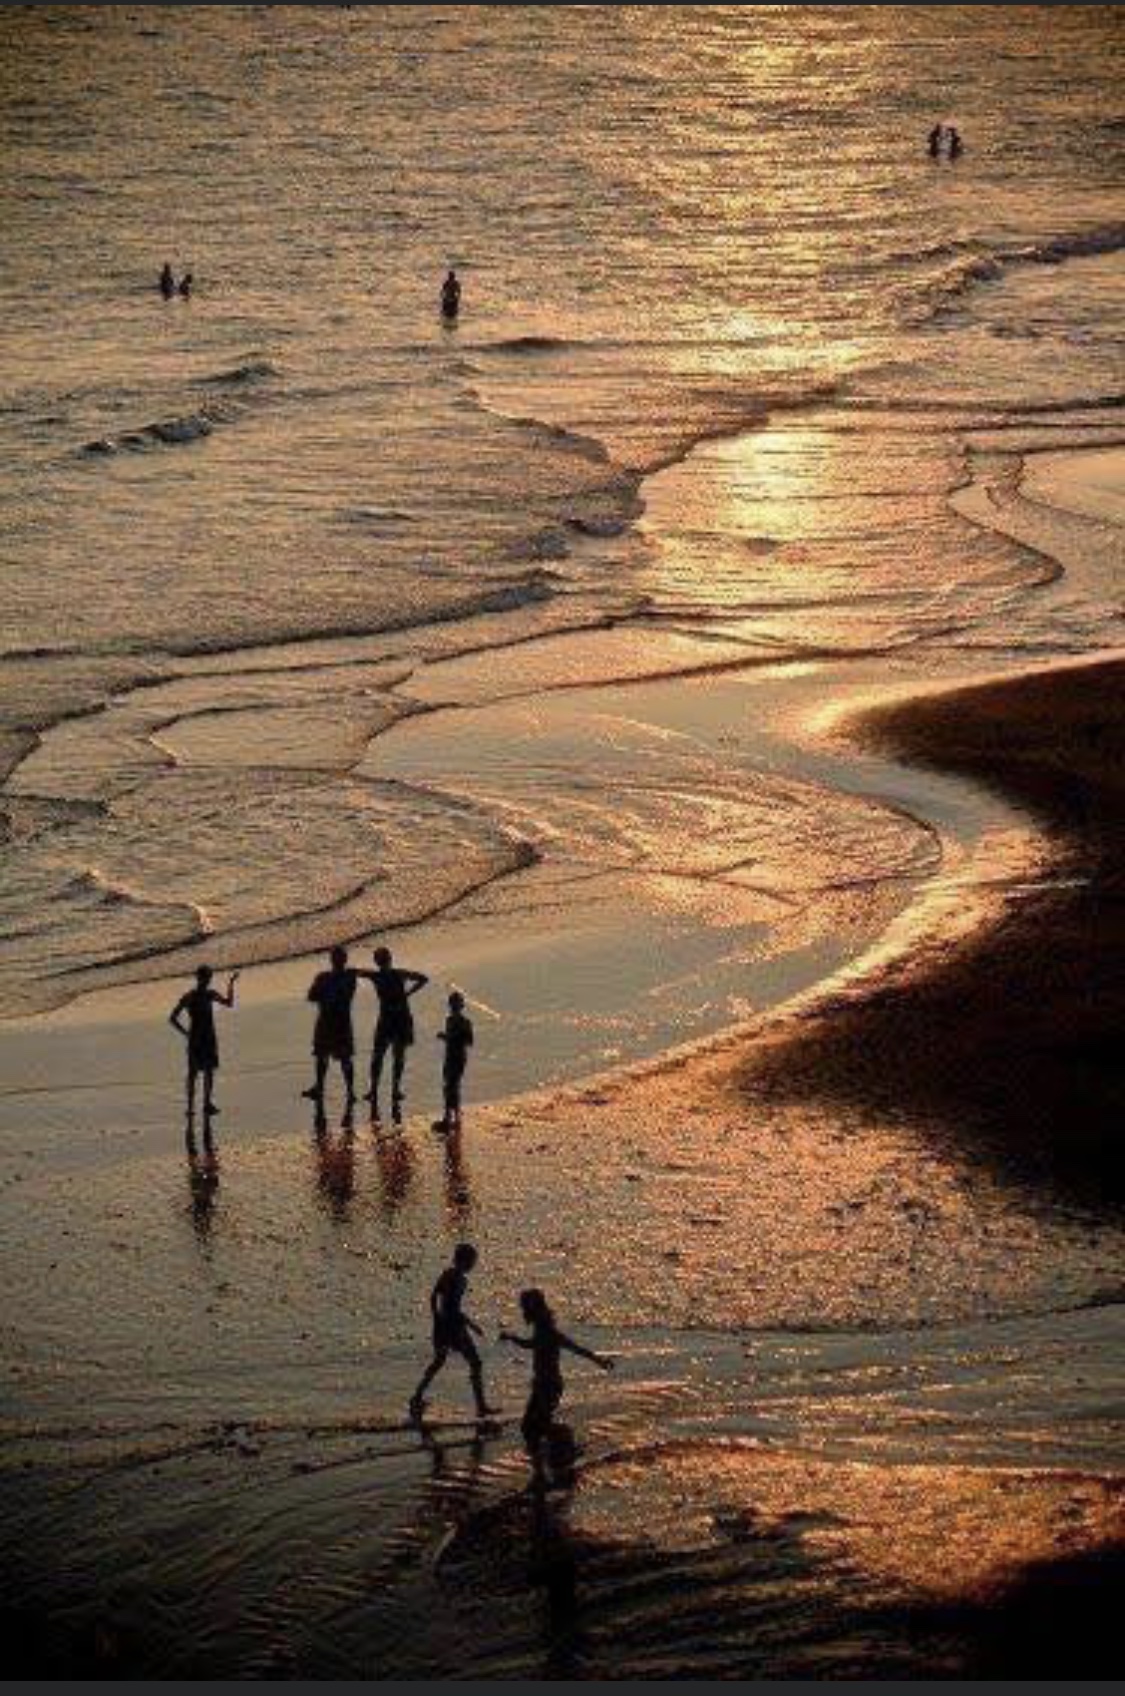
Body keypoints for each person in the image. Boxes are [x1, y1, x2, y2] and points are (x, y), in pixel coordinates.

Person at [500, 1289, 613, 1472]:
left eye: (525, 1307)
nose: (523, 1312)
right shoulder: (540, 1328)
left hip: (550, 1386)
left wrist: (599, 1360)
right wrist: (513, 1338)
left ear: (534, 1308)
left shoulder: (549, 1331)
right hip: (540, 1385)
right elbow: (532, 1344)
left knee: (538, 1425)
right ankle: (545, 1459)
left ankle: (566, 1441)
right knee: (528, 1427)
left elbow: (575, 1347)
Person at [409, 1243, 496, 1422]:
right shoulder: (457, 1279)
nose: (474, 1264)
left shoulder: (449, 1275)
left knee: (439, 1361)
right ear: (465, 1260)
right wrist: (471, 1325)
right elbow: (452, 1308)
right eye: (473, 1260)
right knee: (475, 1362)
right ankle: (481, 1406)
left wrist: (436, 1319)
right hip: (454, 1328)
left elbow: (434, 1297)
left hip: (444, 1326)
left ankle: (417, 1396)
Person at [364, 945, 428, 1121]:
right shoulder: (398, 974)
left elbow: (355, 972)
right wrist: (408, 993)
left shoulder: (376, 976)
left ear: (377, 961)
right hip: (400, 1018)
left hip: (388, 1020)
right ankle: (394, 1090)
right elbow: (423, 979)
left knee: (379, 1055)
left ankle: (374, 1090)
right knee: (396, 1056)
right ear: (389, 959)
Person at [169, 964, 239, 1119]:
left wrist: (231, 983)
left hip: (205, 1038)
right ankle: (191, 1107)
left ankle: (206, 1104)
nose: (207, 981)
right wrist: (185, 1033)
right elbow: (172, 1018)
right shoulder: (192, 996)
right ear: (199, 978)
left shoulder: (207, 994)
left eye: (208, 978)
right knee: (195, 1074)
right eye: (205, 978)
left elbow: (229, 1003)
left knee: (207, 1073)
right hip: (199, 1039)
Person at [305, 945, 361, 1109]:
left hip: (333, 1020)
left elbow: (314, 996)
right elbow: (311, 996)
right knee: (327, 1056)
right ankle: (331, 1089)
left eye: (336, 957)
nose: (335, 960)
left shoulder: (328, 977)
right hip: (335, 1020)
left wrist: (324, 993)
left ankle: (347, 1091)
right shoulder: (347, 976)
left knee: (334, 1057)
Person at [432, 990, 474, 1133]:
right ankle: (450, 1117)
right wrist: (447, 1037)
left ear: (460, 1006)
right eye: (453, 1004)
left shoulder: (465, 1022)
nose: (454, 1007)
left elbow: (469, 1041)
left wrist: (449, 1037)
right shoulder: (449, 1020)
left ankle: (452, 1118)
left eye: (456, 1004)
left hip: (458, 1057)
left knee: (452, 1087)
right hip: (449, 1056)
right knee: (448, 1087)